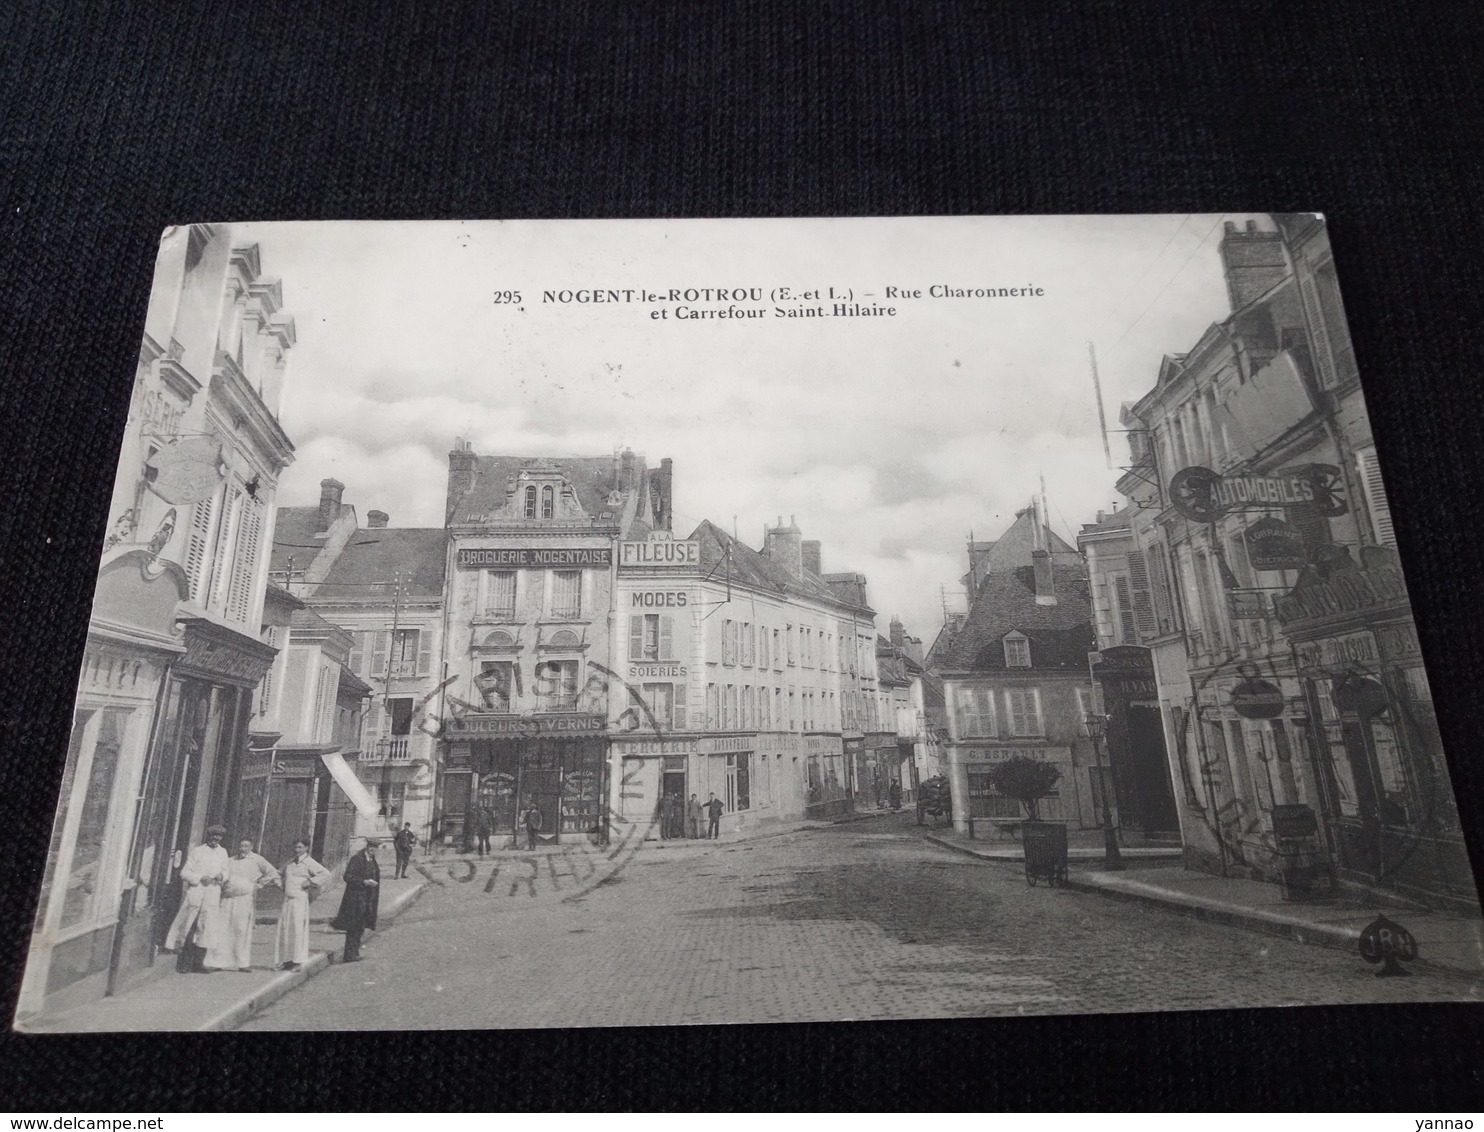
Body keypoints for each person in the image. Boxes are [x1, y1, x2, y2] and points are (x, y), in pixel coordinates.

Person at [164, 824, 230, 973]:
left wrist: (222, 876)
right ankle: (184, 964)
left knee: (206, 928)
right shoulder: (198, 852)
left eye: (218, 837)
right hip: (197, 892)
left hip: (212, 893)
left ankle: (199, 963)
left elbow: (226, 871)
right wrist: (200, 878)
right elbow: (184, 873)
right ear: (208, 836)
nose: (215, 839)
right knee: (189, 927)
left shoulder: (223, 852)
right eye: (213, 836)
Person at [208, 838, 280, 972]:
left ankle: (243, 963)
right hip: (228, 899)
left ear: (251, 847)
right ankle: (218, 962)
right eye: (241, 846)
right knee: (223, 929)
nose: (243, 848)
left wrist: (259, 885)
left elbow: (272, 872)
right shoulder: (230, 860)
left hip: (243, 900)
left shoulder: (257, 860)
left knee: (241, 930)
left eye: (246, 846)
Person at [274, 839, 331, 971]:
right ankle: (287, 960)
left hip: (300, 899)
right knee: (286, 929)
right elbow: (277, 873)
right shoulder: (291, 862)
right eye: (295, 847)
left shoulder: (309, 862)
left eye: (300, 847)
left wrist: (310, 882)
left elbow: (326, 874)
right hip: (288, 900)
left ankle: (298, 962)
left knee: (298, 929)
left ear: (306, 848)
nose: (297, 850)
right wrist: (281, 885)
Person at [330, 838, 381, 963]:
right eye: (371, 847)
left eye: (375, 848)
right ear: (367, 846)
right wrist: (364, 881)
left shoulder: (372, 860)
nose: (373, 850)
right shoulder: (357, 859)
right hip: (355, 898)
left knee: (361, 926)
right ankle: (349, 955)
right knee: (353, 926)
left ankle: (354, 952)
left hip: (367, 899)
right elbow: (347, 876)